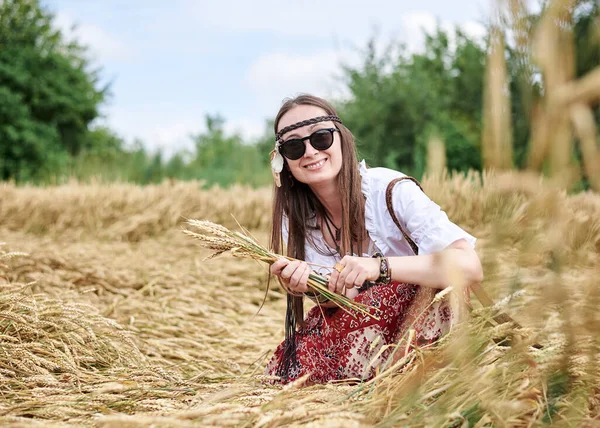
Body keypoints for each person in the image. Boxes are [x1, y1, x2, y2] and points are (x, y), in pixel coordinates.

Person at [265, 94, 483, 385]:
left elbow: (470, 266)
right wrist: (312, 288)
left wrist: (380, 268)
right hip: (367, 330)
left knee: (400, 294)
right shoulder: (293, 219)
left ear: (341, 139)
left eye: (320, 138)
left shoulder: (390, 190)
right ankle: (370, 381)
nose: (309, 152)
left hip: (422, 318)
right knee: (290, 373)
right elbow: (347, 301)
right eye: (294, 146)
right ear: (283, 161)